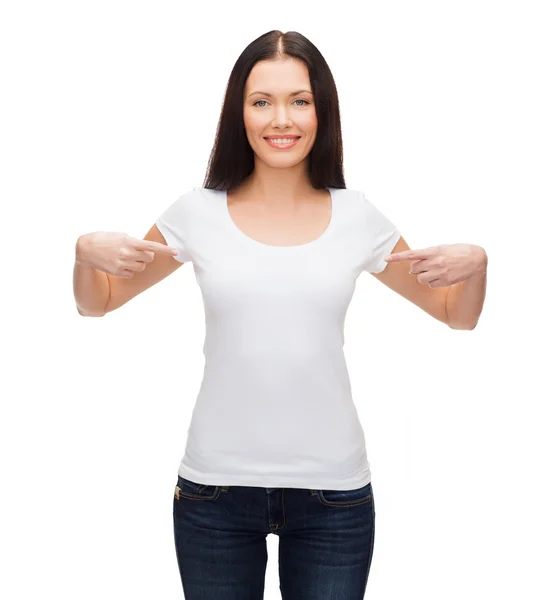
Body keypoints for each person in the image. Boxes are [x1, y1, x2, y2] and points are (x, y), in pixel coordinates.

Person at [73, 29, 487, 600]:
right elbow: (99, 301)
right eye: (261, 101)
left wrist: (478, 266)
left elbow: (456, 316)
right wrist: (84, 253)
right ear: (238, 113)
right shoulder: (196, 212)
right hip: (213, 494)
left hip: (333, 499)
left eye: (299, 100)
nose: (280, 119)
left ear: (321, 110)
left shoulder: (357, 216)